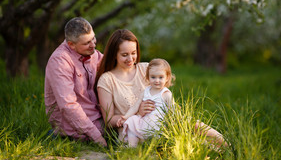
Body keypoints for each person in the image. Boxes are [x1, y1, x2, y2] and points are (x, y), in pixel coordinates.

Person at [96, 29, 227, 147]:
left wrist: (172, 107)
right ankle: (213, 149)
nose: (130, 59)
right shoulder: (107, 80)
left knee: (193, 124)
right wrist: (137, 113)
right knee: (186, 141)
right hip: (135, 132)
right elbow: (108, 120)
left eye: (133, 53)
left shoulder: (145, 68)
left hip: (161, 121)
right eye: (124, 55)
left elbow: (161, 93)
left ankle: (228, 145)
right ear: (114, 54)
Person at [44, 17, 107, 147]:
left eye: (93, 38)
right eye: (87, 43)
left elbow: (113, 68)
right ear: (71, 44)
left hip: (98, 116)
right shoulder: (60, 61)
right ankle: (57, 136)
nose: (93, 45)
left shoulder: (93, 53)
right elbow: (68, 106)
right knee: (123, 131)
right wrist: (97, 137)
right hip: (75, 126)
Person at [116, 58, 175, 147]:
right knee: (132, 120)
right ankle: (132, 146)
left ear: (167, 78)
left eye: (161, 77)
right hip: (144, 121)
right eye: (153, 77)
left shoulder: (166, 94)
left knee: (156, 133)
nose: (157, 80)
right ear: (148, 77)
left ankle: (153, 146)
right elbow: (136, 106)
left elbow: (172, 110)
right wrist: (126, 116)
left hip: (158, 124)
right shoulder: (146, 91)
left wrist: (171, 124)